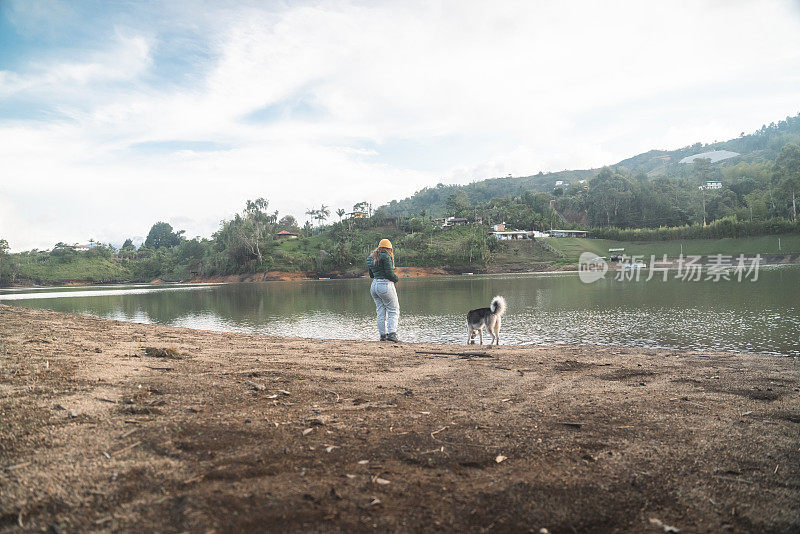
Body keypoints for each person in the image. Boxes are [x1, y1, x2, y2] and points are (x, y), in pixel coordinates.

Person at [367, 239, 400, 342]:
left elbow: (372, 275)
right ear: (389, 248)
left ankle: (382, 335)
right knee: (393, 310)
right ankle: (392, 334)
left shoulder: (371, 258)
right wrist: (396, 279)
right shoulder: (386, 256)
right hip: (385, 285)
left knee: (380, 311)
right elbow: (389, 274)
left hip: (374, 286)